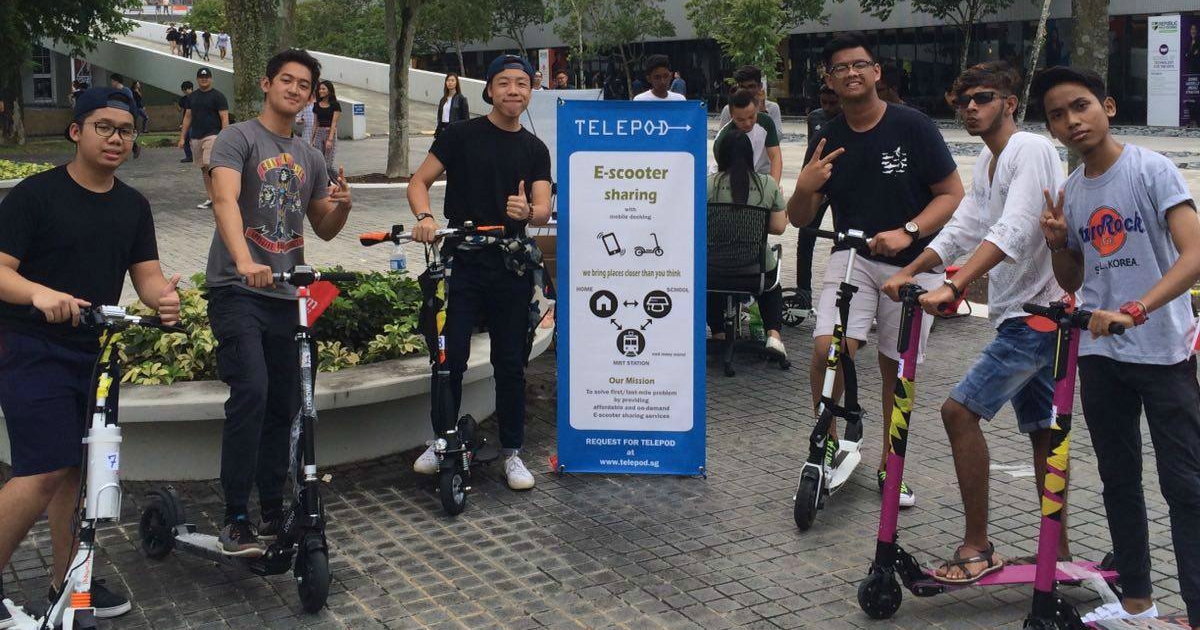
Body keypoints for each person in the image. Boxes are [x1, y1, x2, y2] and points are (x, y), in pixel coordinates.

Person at [880, 61, 1069, 583]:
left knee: (958, 412)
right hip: (1020, 316)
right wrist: (912, 270)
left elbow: (1014, 228)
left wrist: (955, 285)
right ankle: (1059, 554)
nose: (970, 108)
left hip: (1038, 318)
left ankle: (978, 546)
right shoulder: (989, 161)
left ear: (1010, 103)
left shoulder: (1030, 149)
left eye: (982, 98)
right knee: (1042, 434)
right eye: (962, 101)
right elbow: (964, 227)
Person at [0, 86, 182, 625]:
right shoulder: (35, 196)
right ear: (77, 131)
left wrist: (164, 299)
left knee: (78, 471)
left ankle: (68, 583)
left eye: (126, 130)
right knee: (42, 469)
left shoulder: (133, 206)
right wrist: (39, 293)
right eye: (104, 127)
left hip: (96, 353)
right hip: (31, 347)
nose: (116, 138)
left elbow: (147, 278)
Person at [1033, 65, 1200, 629]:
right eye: (1058, 115)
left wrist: (1136, 309)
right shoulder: (1074, 191)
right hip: (1101, 355)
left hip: (1163, 352)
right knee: (1119, 480)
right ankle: (1136, 604)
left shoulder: (1151, 169)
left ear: (1107, 106)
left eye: (1080, 106)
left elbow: (1195, 253)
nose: (1072, 121)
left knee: (1186, 486)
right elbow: (1075, 277)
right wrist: (1058, 244)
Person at [785, 32, 963, 507]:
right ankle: (825, 443)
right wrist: (804, 186)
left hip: (914, 266)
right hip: (854, 259)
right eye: (840, 68)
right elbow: (799, 218)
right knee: (827, 348)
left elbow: (951, 194)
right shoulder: (828, 136)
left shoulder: (912, 126)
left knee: (896, 369)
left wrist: (908, 230)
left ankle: (891, 463)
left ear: (877, 72)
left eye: (859, 64)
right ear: (829, 79)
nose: (851, 73)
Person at [205, 48, 353, 556]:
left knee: (284, 404)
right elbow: (224, 199)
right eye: (286, 80)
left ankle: (271, 509)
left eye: (304, 85)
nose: (294, 89)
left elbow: (324, 228)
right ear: (267, 84)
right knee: (252, 390)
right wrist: (244, 260)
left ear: (312, 96)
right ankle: (235, 517)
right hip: (237, 290)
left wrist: (343, 207)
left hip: (287, 297)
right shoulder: (238, 138)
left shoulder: (310, 157)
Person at [407, 53, 552, 491]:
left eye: (521, 83)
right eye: (504, 82)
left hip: (511, 268)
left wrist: (527, 212)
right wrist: (425, 217)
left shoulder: (535, 149)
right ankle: (442, 440)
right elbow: (418, 183)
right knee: (448, 359)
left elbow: (542, 209)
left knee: (510, 363)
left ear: (531, 91)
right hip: (462, 265)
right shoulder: (459, 135)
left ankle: (512, 452)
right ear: (489, 89)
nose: (513, 90)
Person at [708, 128, 789, 357]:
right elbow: (778, 227)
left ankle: (719, 333)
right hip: (755, 271)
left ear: (720, 155)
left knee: (710, 282)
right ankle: (774, 335)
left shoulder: (706, 184)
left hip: (713, 269)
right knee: (772, 285)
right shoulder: (768, 184)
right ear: (750, 154)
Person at [179, 67, 229, 209]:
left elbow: (224, 118)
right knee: (203, 168)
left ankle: (221, 195)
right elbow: (187, 117)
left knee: (209, 165)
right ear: (197, 79)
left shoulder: (218, 96)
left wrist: (225, 137)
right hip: (196, 136)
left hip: (213, 135)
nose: (204, 79)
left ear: (211, 79)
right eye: (201, 77)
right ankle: (211, 198)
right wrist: (182, 137)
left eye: (206, 77)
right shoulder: (192, 97)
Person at [712, 89, 782, 184]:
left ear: (756, 109)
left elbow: (775, 156)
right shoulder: (723, 139)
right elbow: (727, 175)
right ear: (731, 115)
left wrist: (774, 186)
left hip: (757, 175)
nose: (747, 123)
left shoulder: (766, 122)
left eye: (751, 117)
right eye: (741, 120)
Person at [718, 65, 784, 134]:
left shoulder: (772, 108)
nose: (747, 90)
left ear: (760, 86)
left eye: (751, 86)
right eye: (742, 87)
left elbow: (777, 136)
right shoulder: (729, 109)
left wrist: (762, 112)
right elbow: (722, 136)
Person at [312, 80, 342, 182]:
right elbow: (315, 124)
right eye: (320, 89)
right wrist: (312, 139)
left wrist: (330, 139)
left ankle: (340, 182)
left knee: (328, 165)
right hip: (319, 133)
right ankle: (326, 184)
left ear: (329, 91)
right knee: (319, 162)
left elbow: (334, 123)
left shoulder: (335, 105)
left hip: (330, 133)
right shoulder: (316, 105)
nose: (320, 91)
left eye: (323, 89)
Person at [435, 73, 470, 138]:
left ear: (456, 83)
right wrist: (436, 133)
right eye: (448, 80)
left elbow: (466, 119)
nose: (450, 82)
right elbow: (439, 118)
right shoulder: (443, 100)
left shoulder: (461, 99)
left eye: (452, 80)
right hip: (443, 130)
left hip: (455, 130)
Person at [178, 80, 194, 163]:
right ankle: (189, 156)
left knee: (193, 138)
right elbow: (180, 110)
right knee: (185, 138)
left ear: (191, 88)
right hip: (186, 121)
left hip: (195, 121)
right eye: (183, 90)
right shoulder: (183, 99)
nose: (185, 92)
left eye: (186, 89)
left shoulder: (196, 97)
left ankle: (198, 155)